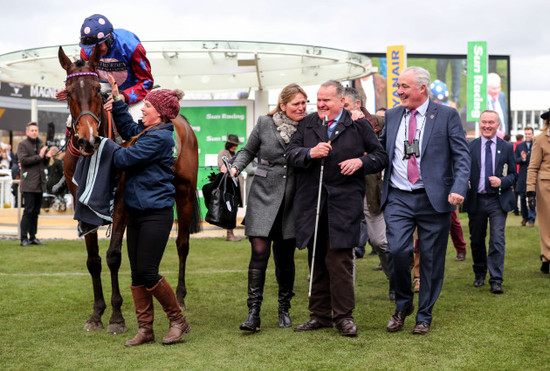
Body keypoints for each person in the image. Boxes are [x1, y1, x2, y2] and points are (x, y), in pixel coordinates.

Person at [287, 80, 388, 337]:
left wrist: (360, 162)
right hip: (312, 204)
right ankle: (319, 315)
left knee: (339, 260)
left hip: (344, 204)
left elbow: (380, 156)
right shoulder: (308, 123)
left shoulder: (358, 125)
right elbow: (290, 154)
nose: (320, 104)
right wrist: (310, 153)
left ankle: (343, 316)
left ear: (342, 101)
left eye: (326, 100)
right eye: (318, 99)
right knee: (317, 259)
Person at [380, 66, 470, 335]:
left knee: (431, 260)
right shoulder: (393, 115)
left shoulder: (446, 115)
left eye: (404, 86)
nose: (399, 91)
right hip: (398, 196)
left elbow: (462, 156)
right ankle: (403, 304)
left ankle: (424, 315)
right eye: (398, 86)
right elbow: (380, 148)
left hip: (434, 199)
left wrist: (457, 188)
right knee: (396, 251)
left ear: (422, 88)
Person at [105, 76, 189, 346]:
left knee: (149, 272)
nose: (142, 108)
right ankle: (146, 330)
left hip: (156, 214)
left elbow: (124, 158)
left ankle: (178, 320)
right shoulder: (148, 131)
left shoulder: (160, 139)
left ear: (161, 113)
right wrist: (117, 98)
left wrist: (101, 145)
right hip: (137, 213)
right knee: (137, 274)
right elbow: (129, 128)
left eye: (148, 106)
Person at [229, 83, 307, 332]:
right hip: (262, 195)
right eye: (296, 103)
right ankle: (253, 313)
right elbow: (247, 151)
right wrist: (234, 167)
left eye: (304, 103)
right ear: (282, 105)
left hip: (292, 200)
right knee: (259, 252)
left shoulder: (310, 125)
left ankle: (284, 309)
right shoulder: (265, 123)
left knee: (285, 258)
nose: (301, 108)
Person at [342, 87, 392, 299]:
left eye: (345, 105)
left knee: (381, 241)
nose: (342, 109)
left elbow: (384, 125)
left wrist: (362, 121)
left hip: (371, 191)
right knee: (346, 245)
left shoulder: (375, 122)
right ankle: (345, 294)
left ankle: (396, 281)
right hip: (344, 191)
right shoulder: (333, 124)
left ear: (357, 104)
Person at [57, 14, 153, 118]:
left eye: (97, 47)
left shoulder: (132, 47)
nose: (94, 51)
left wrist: (124, 96)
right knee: (71, 120)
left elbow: (147, 81)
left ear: (109, 38)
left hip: (131, 89)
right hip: (103, 87)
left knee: (138, 120)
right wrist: (75, 89)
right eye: (91, 48)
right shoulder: (86, 50)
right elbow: (87, 79)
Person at [463, 110, 517, 294]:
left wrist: (502, 181)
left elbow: (514, 175)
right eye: (484, 122)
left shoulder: (507, 147)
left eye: (491, 122)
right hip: (476, 200)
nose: (487, 125)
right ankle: (479, 273)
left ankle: (496, 279)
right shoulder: (470, 146)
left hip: (497, 201)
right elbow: (461, 169)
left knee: (497, 240)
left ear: (497, 125)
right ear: (480, 123)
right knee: (477, 239)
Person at [17, 122, 57, 246]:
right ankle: (23, 238)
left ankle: (33, 237)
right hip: (28, 183)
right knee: (28, 211)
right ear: (27, 132)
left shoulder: (40, 143)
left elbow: (42, 163)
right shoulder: (22, 145)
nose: (34, 132)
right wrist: (40, 156)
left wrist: (47, 156)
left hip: (40, 184)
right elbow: (23, 161)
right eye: (32, 130)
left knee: (35, 212)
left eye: (36, 130)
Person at [526, 109, 550, 274]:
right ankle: (547, 257)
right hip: (545, 187)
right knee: (546, 224)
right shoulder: (540, 139)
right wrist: (530, 191)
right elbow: (533, 167)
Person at [218, 134, 243, 242]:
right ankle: (229, 234)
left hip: (236, 185)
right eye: (233, 144)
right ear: (228, 144)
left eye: (236, 145)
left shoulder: (236, 153)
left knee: (234, 208)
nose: (235, 147)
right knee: (229, 209)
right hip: (228, 185)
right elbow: (221, 166)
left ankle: (231, 233)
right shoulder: (223, 153)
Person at [515, 127, 536, 227]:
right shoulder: (519, 146)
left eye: (529, 134)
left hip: (533, 175)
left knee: (532, 198)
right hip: (522, 176)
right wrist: (522, 159)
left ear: (532, 134)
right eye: (526, 134)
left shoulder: (536, 145)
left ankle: (532, 219)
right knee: (522, 198)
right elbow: (515, 159)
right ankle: (524, 218)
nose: (528, 135)